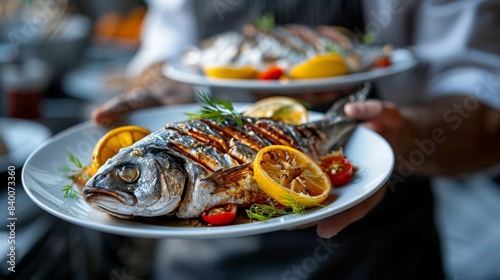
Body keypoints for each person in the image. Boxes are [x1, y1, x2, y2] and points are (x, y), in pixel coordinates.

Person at [91, 0, 500, 279]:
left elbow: (485, 102)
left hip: (374, 246)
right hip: (198, 257)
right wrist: (161, 87)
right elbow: (166, 54)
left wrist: (408, 136)